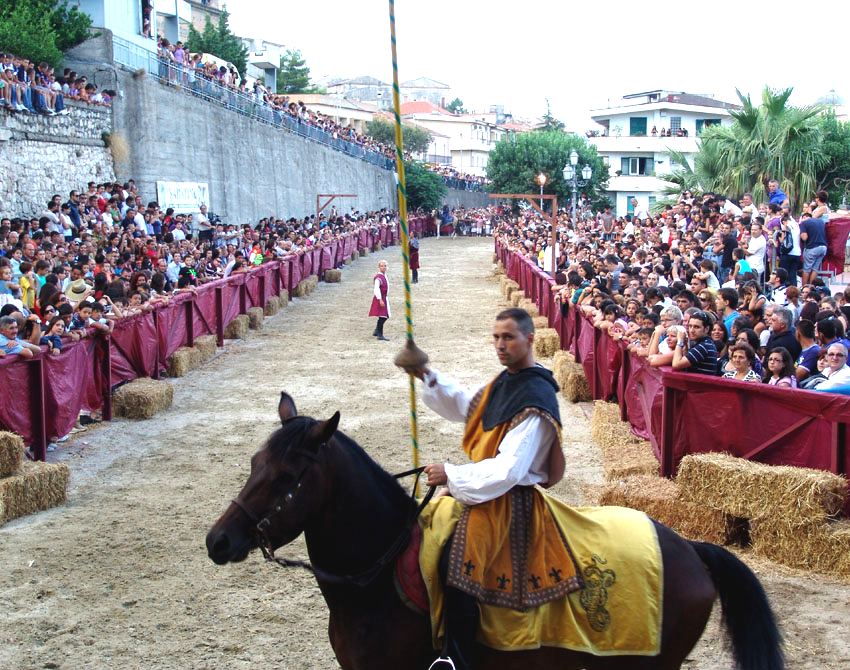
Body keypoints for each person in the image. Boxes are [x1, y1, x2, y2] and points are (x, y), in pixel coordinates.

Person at [402, 308, 571, 670]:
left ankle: (455, 659)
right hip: (486, 491)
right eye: (496, 337)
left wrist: (451, 474)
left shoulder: (536, 397)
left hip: (508, 503)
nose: (500, 345)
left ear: (530, 339)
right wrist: (427, 376)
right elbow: (469, 407)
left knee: (457, 561)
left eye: (508, 337)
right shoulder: (508, 380)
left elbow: (508, 471)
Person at [369, 259, 390, 341]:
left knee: (385, 315)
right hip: (381, 298)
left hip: (384, 297)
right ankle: (379, 334)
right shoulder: (378, 278)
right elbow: (376, 289)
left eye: (385, 266)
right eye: (382, 266)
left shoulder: (384, 276)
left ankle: (376, 331)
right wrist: (380, 299)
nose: (384, 267)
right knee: (383, 316)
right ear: (379, 267)